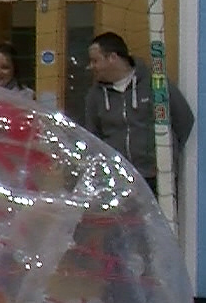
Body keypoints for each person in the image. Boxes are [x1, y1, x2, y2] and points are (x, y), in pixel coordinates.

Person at [80, 31, 194, 196]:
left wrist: (166, 154)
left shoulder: (155, 84)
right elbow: (93, 135)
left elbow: (184, 120)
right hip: (116, 179)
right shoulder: (95, 96)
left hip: (156, 176)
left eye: (95, 60)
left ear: (112, 57)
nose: (91, 66)